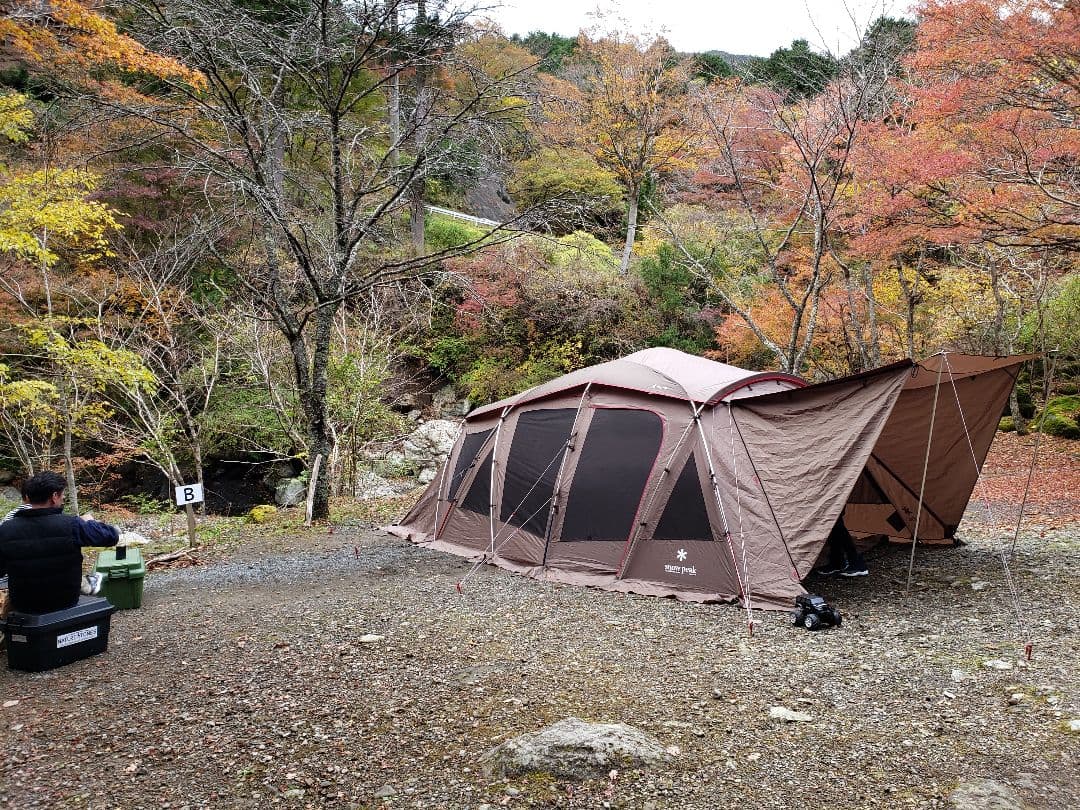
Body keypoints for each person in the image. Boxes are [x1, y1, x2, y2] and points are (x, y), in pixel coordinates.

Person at [0, 471, 121, 615]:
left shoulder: (6, 529)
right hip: (65, 601)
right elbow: (111, 536)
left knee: (9, 610)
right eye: (62, 495)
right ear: (54, 496)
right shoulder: (71, 524)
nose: (63, 499)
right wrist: (90, 521)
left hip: (25, 604)